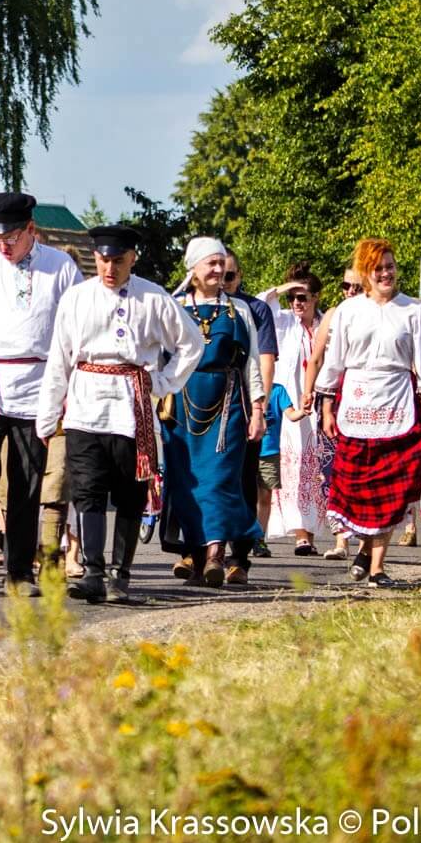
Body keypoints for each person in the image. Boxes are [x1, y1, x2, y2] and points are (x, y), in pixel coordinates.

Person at [38, 226, 204, 603]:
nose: (109, 268)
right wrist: (47, 417)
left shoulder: (153, 298)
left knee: (130, 494)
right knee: (88, 491)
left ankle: (120, 575)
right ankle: (93, 572)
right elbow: (59, 360)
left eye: (117, 260)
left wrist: (162, 382)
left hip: (131, 406)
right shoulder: (77, 298)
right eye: (102, 259)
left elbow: (191, 343)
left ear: (132, 258)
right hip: (84, 407)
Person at [0, 191, 82, 596]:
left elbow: (73, 330)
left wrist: (68, 388)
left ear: (31, 230)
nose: (2, 245)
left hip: (38, 385)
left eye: (10, 238)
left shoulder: (61, 267)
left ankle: (21, 572)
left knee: (26, 482)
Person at [314, 238, 421, 588]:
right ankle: (362, 549)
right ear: (365, 274)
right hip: (357, 402)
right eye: (379, 269)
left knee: (393, 483)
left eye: (390, 266)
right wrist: (326, 405)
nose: (386, 273)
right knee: (356, 486)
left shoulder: (413, 309)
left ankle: (377, 567)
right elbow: (334, 361)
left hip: (398, 401)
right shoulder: (348, 311)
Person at [161, 238, 266, 587]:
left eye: (222, 264)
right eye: (212, 264)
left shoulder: (239, 310)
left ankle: (216, 555)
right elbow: (158, 359)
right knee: (187, 481)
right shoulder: (173, 307)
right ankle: (193, 550)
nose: (219, 270)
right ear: (193, 269)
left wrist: (257, 409)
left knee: (221, 480)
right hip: (182, 407)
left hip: (227, 406)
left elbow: (251, 363)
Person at [260, 265, 329, 555]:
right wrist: (287, 287)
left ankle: (311, 535)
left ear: (316, 298)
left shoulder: (327, 324)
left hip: (322, 404)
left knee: (317, 471)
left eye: (303, 297)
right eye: (293, 298)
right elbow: (261, 301)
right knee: (292, 472)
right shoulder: (284, 321)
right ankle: (299, 534)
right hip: (289, 408)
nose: (297, 303)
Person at [222, 250, 278, 558]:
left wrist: (261, 406)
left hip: (245, 402)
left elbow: (266, 359)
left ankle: (242, 547)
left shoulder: (255, 310)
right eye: (219, 274)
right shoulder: (201, 305)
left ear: (240, 276)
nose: (224, 281)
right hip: (211, 405)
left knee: (246, 477)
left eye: (230, 275)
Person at [306, 266, 364, 562]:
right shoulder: (332, 315)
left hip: (365, 401)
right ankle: (341, 540)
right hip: (331, 400)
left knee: (363, 470)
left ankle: (367, 540)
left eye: (357, 286)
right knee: (332, 470)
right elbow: (315, 358)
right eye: (346, 286)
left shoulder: (375, 314)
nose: (351, 292)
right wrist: (308, 391)